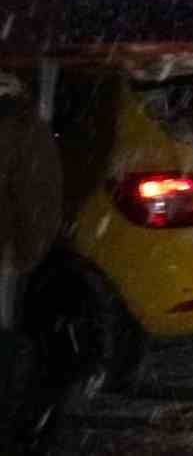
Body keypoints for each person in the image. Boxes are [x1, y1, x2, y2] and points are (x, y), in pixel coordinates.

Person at [1, 70, 64, 447]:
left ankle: (17, 424)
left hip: (9, 255)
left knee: (10, 342)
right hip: (14, 253)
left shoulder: (18, 128)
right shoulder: (25, 126)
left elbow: (34, 200)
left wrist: (23, 252)